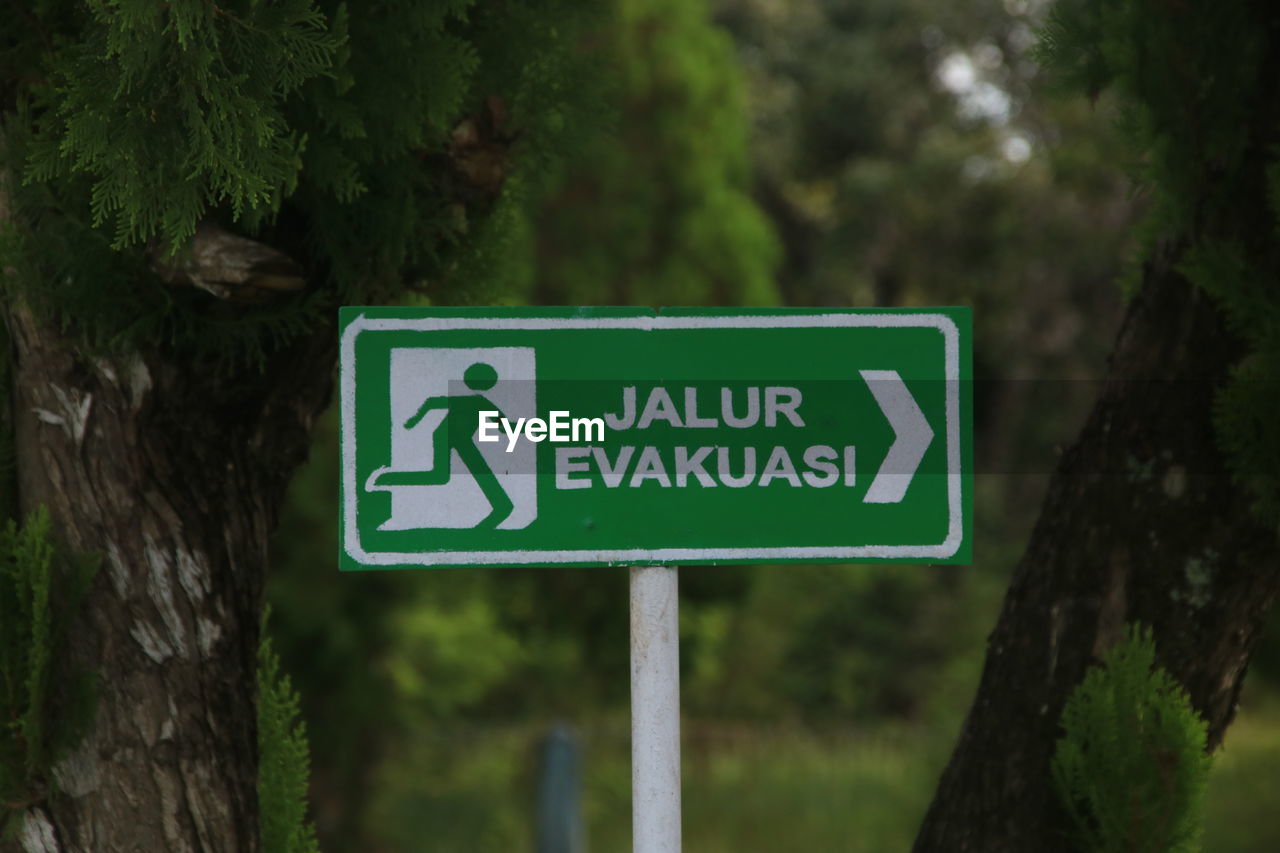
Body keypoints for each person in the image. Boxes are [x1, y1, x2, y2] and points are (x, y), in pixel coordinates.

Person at [366, 361, 514, 529]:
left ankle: (495, 514)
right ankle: (383, 479)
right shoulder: (475, 402)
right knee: (439, 476)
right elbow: (432, 402)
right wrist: (413, 420)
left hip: (458, 438)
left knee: (439, 476)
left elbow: (504, 427)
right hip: (447, 437)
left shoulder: (476, 402)